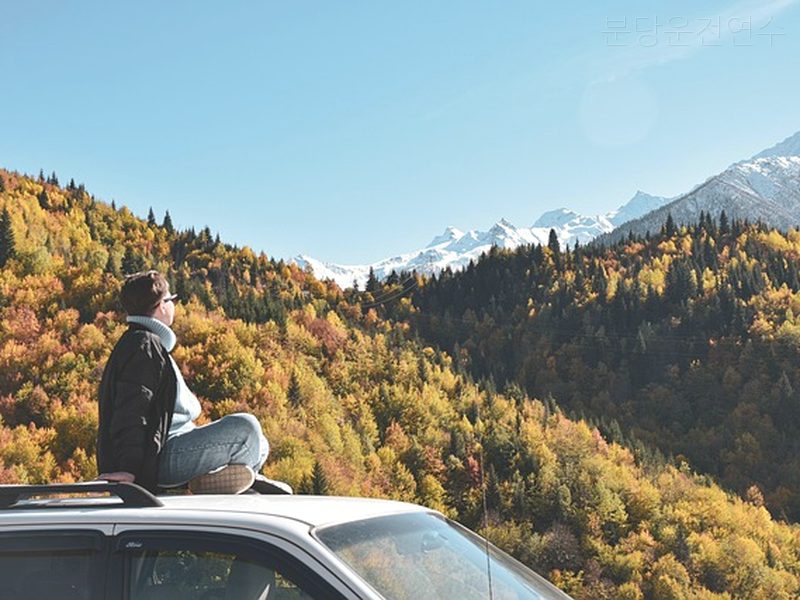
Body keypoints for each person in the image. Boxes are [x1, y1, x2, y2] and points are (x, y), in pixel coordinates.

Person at [97, 270, 290, 495]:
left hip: (172, 448)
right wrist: (128, 469)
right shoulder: (143, 346)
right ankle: (244, 485)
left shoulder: (145, 344)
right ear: (162, 306)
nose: (173, 305)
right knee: (246, 429)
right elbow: (132, 408)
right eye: (171, 299)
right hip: (161, 457)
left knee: (261, 443)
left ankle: (232, 480)